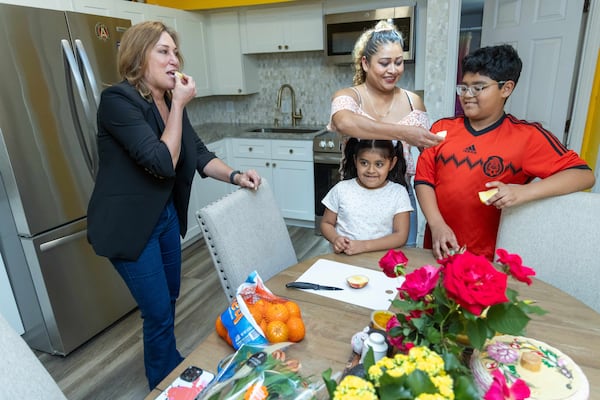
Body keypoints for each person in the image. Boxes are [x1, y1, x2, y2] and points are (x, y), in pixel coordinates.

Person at [86, 21, 261, 390]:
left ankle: (171, 369)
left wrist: (235, 176)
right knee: (158, 311)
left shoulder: (166, 101)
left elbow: (195, 152)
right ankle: (165, 383)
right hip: (130, 226)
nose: (174, 59)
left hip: (164, 217)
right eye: (163, 51)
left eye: (175, 52)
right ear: (139, 57)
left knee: (168, 299)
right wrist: (179, 104)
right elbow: (162, 162)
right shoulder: (118, 101)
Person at [415, 44, 595, 261]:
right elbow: (424, 180)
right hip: (437, 247)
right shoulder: (442, 128)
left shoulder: (528, 137)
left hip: (490, 258)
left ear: (506, 88)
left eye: (478, 87)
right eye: (463, 87)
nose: (467, 95)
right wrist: (436, 225)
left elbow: (583, 175)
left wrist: (522, 192)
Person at [328, 20, 442, 247]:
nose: (393, 70)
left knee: (401, 264)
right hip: (355, 198)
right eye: (384, 63)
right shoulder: (349, 96)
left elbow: (430, 158)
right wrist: (403, 133)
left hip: (399, 199)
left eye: (399, 62)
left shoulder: (413, 101)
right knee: (354, 266)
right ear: (365, 63)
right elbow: (343, 122)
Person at [320, 139, 412, 255]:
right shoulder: (341, 189)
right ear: (355, 160)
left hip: (379, 261)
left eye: (379, 164)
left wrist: (363, 246)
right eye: (364, 163)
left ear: (392, 163)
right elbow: (326, 223)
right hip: (342, 259)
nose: (371, 170)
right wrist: (335, 239)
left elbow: (400, 236)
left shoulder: (398, 193)